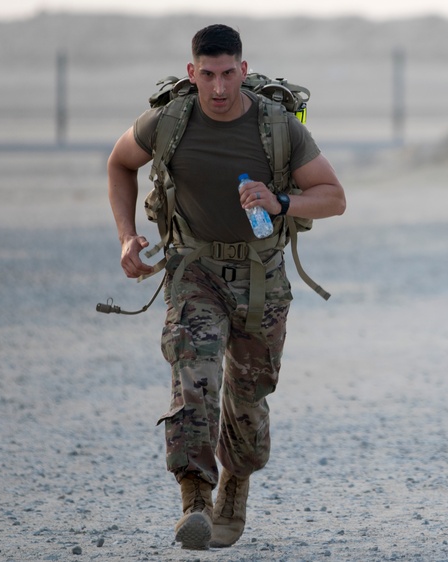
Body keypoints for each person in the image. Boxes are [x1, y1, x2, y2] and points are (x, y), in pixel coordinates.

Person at [106, 24, 346, 550]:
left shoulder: (279, 127)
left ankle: (234, 486)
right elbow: (120, 163)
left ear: (243, 69)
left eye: (228, 74)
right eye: (207, 75)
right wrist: (127, 238)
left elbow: (333, 196)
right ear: (193, 73)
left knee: (247, 398)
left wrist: (281, 202)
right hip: (195, 270)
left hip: (261, 279)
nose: (218, 88)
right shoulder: (168, 121)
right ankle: (194, 498)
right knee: (193, 374)